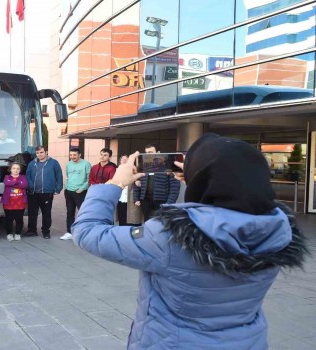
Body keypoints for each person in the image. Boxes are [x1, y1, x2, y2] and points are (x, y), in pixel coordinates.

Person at [72, 134, 309, 349]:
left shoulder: (171, 236)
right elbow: (228, 207)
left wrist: (115, 184)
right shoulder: (278, 232)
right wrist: (197, 181)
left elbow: (87, 231)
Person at [133, 144, 180, 220]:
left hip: (162, 201)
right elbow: (136, 183)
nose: (148, 155)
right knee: (148, 223)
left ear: (158, 153)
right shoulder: (143, 167)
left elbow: (174, 187)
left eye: (150, 152)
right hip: (145, 201)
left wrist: (169, 203)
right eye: (146, 152)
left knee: (161, 224)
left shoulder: (168, 167)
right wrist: (136, 198)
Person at [25, 146, 63, 239]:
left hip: (47, 192)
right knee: (32, 213)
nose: (39, 154)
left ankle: (46, 232)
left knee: (46, 213)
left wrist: (58, 188)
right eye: (37, 153)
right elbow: (28, 175)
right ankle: (32, 230)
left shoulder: (54, 163)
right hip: (33, 192)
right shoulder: (31, 163)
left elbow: (59, 176)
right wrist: (30, 186)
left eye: (41, 152)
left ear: (46, 152)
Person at [60, 148, 91, 241]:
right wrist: (66, 187)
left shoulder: (86, 164)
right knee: (70, 212)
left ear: (79, 155)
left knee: (82, 212)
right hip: (69, 191)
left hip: (80, 192)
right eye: (71, 155)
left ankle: (84, 232)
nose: (72, 157)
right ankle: (69, 232)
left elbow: (90, 178)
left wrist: (82, 188)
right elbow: (68, 177)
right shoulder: (69, 164)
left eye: (74, 155)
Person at [1, 162, 28, 242]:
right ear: (10, 169)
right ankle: (9, 234)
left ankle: (17, 234)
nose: (16, 170)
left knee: (19, 219)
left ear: (20, 170)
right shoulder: (7, 177)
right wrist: (18, 183)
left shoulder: (23, 177)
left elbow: (24, 185)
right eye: (14, 168)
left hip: (20, 203)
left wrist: (13, 184)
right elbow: (7, 183)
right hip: (9, 203)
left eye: (17, 169)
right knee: (9, 219)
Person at [117, 155, 130, 226]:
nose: (124, 161)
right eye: (123, 159)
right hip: (120, 197)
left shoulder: (133, 170)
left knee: (130, 219)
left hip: (130, 199)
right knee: (121, 218)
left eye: (126, 159)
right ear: (120, 161)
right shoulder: (117, 171)